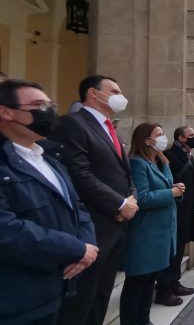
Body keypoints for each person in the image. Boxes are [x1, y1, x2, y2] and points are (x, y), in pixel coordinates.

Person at [0, 79, 97, 325]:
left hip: (56, 289)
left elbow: (78, 206)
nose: (48, 111)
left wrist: (87, 245)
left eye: (49, 104)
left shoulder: (50, 157)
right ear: (6, 112)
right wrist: (76, 249)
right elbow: (6, 229)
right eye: (37, 105)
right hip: (16, 299)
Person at [54, 75, 138, 325]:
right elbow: (79, 174)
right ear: (93, 93)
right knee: (82, 301)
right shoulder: (73, 124)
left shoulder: (114, 128)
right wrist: (120, 204)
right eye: (114, 90)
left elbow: (126, 172)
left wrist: (130, 200)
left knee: (102, 295)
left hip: (117, 225)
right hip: (93, 226)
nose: (120, 95)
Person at [121, 123, 182, 325]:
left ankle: (144, 320)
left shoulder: (160, 161)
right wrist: (171, 193)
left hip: (160, 234)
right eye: (159, 134)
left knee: (149, 283)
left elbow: (163, 187)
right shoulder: (137, 163)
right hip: (144, 234)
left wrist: (174, 189)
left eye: (164, 133)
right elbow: (143, 197)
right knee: (137, 283)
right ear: (146, 140)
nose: (164, 137)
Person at [155, 126, 194, 305]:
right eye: (191, 135)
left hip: (186, 208)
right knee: (171, 250)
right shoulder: (169, 155)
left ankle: (174, 282)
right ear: (181, 138)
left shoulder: (189, 154)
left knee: (180, 247)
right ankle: (163, 289)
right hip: (175, 208)